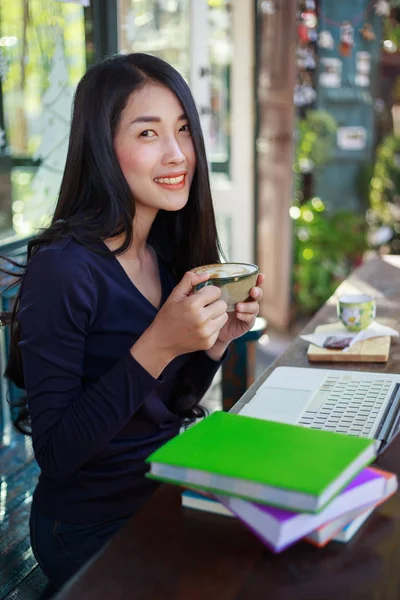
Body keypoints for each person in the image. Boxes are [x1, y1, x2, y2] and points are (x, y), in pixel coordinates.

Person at [4, 53, 264, 590]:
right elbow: (56, 454)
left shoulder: (166, 252)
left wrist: (213, 346)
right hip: (87, 525)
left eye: (184, 129)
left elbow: (166, 409)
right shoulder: (64, 268)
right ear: (102, 147)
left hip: (166, 490)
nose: (178, 154)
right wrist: (157, 345)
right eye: (149, 133)